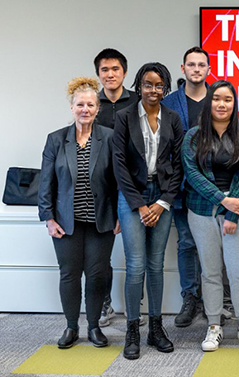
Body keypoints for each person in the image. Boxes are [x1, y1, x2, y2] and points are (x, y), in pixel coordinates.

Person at [182, 80, 239, 351]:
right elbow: (193, 175)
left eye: (228, 99)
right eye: (217, 99)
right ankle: (214, 326)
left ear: (234, 104)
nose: (222, 104)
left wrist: (231, 212)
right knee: (210, 272)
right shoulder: (193, 136)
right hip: (201, 210)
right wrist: (222, 200)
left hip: (236, 213)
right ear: (210, 102)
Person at [38, 77, 120, 349]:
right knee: (69, 275)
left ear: (98, 108)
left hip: (101, 221)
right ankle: (72, 327)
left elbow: (119, 180)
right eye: (80, 104)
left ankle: (95, 326)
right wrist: (48, 218)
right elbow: (46, 182)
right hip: (65, 222)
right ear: (72, 108)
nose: (85, 109)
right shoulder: (56, 139)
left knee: (97, 275)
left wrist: (120, 214)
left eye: (91, 104)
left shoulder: (108, 137)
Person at [112, 62, 183, 360]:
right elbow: (119, 165)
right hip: (132, 197)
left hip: (163, 198)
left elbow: (179, 166)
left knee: (156, 265)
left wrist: (162, 202)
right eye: (147, 84)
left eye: (158, 86)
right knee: (136, 265)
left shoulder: (174, 118)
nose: (153, 90)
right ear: (138, 85)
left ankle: (156, 328)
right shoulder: (124, 117)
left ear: (165, 89)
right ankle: (132, 329)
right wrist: (140, 205)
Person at [162, 46, 211, 327]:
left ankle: (212, 299)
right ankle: (189, 298)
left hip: (214, 184)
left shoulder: (218, 98)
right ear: (183, 69)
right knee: (188, 243)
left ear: (207, 68)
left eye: (201, 65)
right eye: (191, 65)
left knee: (214, 244)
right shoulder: (169, 102)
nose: (196, 69)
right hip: (181, 184)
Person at [93, 48, 139, 328]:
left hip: (133, 184)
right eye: (104, 70)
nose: (110, 74)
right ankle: (105, 304)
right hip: (98, 187)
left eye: (115, 69)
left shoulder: (137, 101)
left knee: (137, 253)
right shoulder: (91, 102)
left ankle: (136, 304)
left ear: (125, 72)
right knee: (100, 252)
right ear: (98, 74)